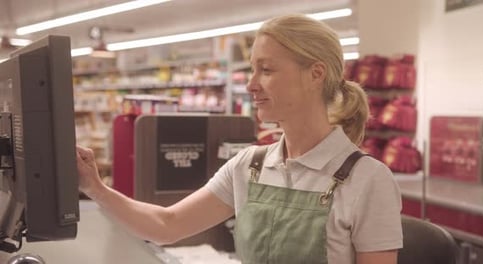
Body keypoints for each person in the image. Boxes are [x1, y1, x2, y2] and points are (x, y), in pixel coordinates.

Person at [77, 14, 402, 264]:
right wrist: (95, 188)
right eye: (252, 70)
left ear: (315, 74)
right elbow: (166, 225)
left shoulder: (367, 180)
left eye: (267, 70)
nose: (251, 85)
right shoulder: (251, 165)